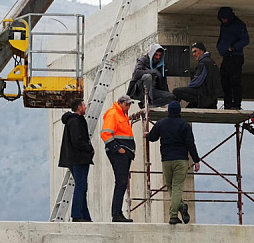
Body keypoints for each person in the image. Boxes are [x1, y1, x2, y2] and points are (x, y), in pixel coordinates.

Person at [145, 101, 201, 225]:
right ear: (179, 112)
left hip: (166, 160)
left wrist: (147, 135)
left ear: (168, 111)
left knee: (170, 187)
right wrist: (196, 160)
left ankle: (180, 206)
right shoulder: (184, 125)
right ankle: (174, 215)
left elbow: (153, 137)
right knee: (176, 187)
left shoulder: (161, 124)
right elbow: (190, 144)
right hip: (181, 160)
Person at [100, 94, 136, 222]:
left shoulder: (123, 115)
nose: (128, 107)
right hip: (119, 152)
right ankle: (116, 214)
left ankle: (117, 213)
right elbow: (105, 133)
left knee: (122, 182)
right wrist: (116, 148)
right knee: (121, 182)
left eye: (129, 105)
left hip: (124, 152)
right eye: (126, 104)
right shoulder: (113, 114)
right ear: (120, 103)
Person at [59, 98, 95, 222]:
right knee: (80, 186)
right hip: (79, 159)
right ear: (79, 107)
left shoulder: (73, 120)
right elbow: (77, 141)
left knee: (82, 186)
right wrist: (89, 148)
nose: (85, 108)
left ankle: (84, 215)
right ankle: (77, 215)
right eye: (84, 106)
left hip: (76, 158)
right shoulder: (75, 121)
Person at [216, 7, 250, 109]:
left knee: (234, 81)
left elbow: (245, 40)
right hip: (226, 56)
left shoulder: (238, 25)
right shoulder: (224, 25)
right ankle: (228, 103)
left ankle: (236, 104)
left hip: (235, 56)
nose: (223, 20)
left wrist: (234, 47)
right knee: (224, 81)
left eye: (225, 18)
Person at [172, 42, 220, 109]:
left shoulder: (203, 63)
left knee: (176, 91)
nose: (194, 54)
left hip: (203, 96)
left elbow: (197, 82)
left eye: (195, 51)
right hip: (210, 98)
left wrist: (187, 88)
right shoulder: (211, 62)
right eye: (192, 52)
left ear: (202, 51)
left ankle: (174, 110)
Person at [127, 43, 174, 107]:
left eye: (160, 55)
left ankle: (149, 104)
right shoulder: (143, 60)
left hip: (153, 91)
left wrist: (168, 97)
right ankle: (147, 101)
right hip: (140, 90)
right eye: (156, 55)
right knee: (148, 76)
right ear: (152, 54)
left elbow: (164, 85)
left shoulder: (161, 67)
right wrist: (152, 72)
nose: (158, 57)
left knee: (171, 97)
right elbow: (137, 73)